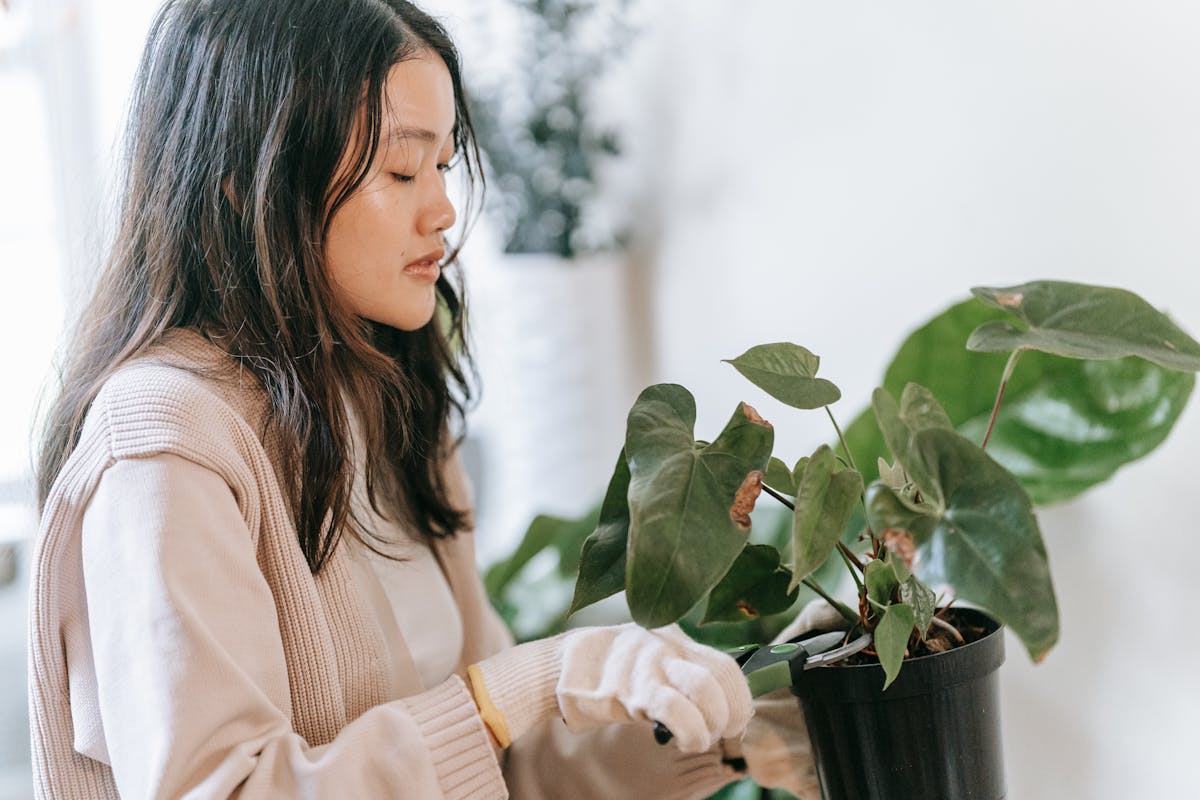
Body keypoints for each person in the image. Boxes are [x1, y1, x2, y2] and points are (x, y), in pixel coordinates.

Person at [27, 1, 827, 797]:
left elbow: (507, 772)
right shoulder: (164, 445)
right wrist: (534, 680)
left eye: (443, 166)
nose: (443, 209)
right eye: (402, 169)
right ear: (245, 187)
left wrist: (731, 730)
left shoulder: (391, 402)